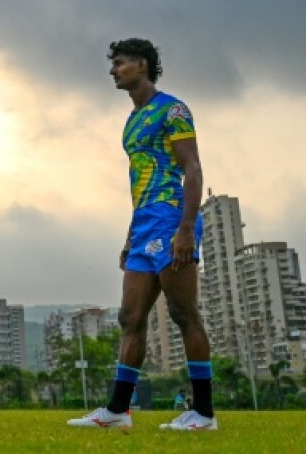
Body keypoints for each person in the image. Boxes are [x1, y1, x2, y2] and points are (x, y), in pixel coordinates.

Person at [68, 39, 217, 432]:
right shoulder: (133, 120)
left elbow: (194, 169)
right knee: (129, 317)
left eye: (119, 63)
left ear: (142, 64)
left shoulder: (173, 109)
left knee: (185, 314)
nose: (113, 70)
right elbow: (138, 182)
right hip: (144, 224)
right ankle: (118, 411)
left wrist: (186, 227)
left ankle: (203, 414)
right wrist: (130, 235)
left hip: (172, 219)